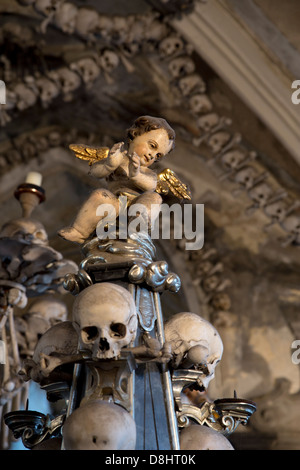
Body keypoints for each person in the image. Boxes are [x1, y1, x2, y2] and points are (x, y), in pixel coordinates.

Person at [58, 115, 176, 243]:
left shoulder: (148, 172)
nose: (152, 155)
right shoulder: (117, 159)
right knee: (99, 195)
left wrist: (136, 175)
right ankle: (80, 232)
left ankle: (138, 225)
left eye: (158, 156)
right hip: (115, 204)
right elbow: (95, 172)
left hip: (137, 206)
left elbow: (151, 186)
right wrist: (109, 165)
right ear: (135, 134)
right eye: (152, 146)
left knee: (155, 198)